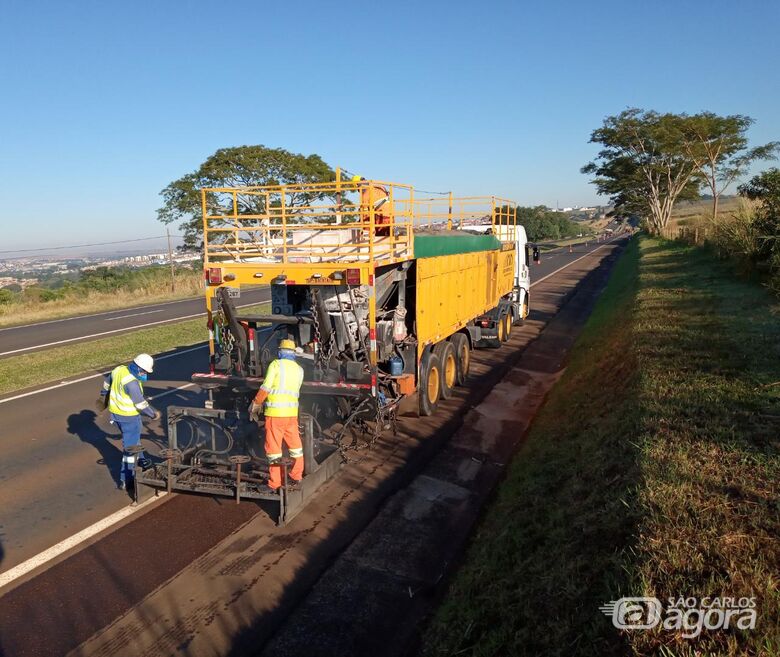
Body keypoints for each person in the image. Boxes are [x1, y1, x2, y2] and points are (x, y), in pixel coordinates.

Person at [248, 339, 305, 491]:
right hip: (291, 415)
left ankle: (274, 483)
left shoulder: (275, 365)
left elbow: (266, 387)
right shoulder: (300, 370)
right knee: (296, 447)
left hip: (275, 415)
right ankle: (296, 476)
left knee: (274, 450)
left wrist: (256, 403)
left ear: (280, 352)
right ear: (293, 354)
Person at [97, 353, 159, 490]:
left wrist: (103, 395)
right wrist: (153, 414)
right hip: (129, 418)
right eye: (143, 371)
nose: (144, 374)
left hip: (116, 415)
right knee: (130, 451)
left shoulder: (119, 370)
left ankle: (142, 461)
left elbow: (107, 382)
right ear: (137, 368)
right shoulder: (132, 383)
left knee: (133, 440)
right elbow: (140, 404)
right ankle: (126, 479)